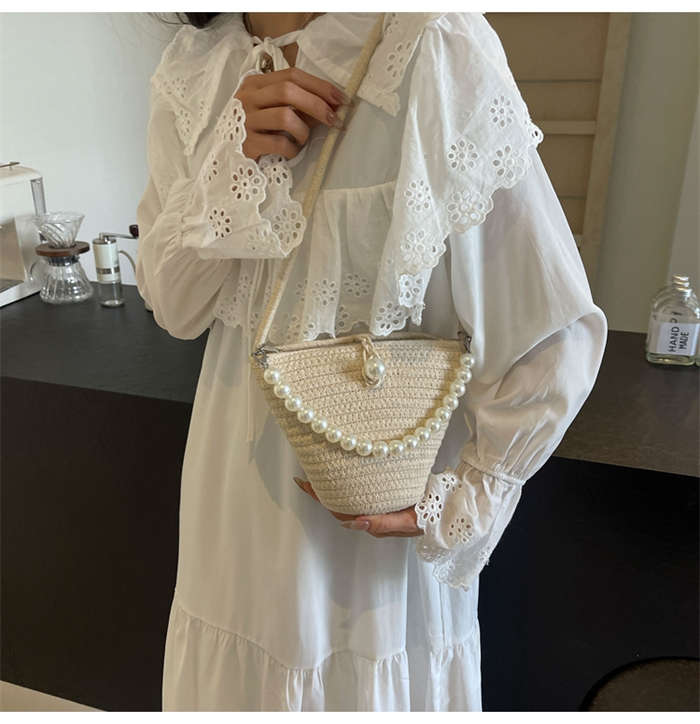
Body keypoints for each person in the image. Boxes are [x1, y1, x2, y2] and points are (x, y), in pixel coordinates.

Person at [135, 11, 608, 711]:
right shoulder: (195, 65)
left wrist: (468, 495)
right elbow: (176, 306)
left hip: (371, 534)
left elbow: (552, 326)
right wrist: (228, 163)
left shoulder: (431, 40)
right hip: (232, 508)